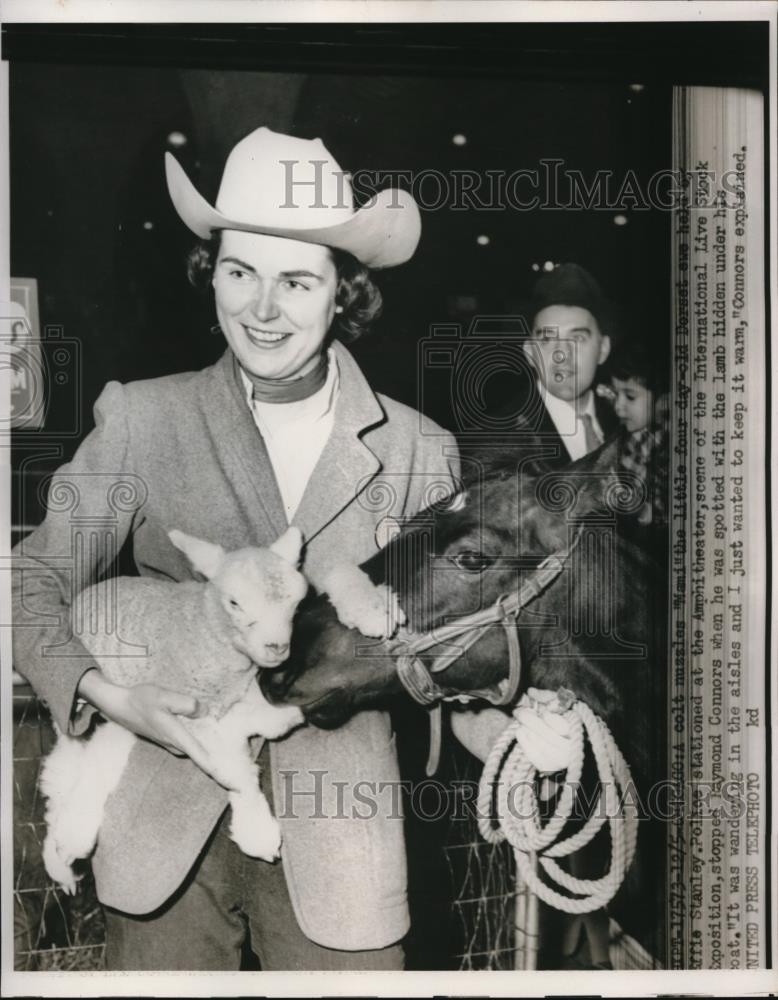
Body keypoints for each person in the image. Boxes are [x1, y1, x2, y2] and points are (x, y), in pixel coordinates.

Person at [12, 126, 460, 971]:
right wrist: (109, 696)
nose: (261, 309)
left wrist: (521, 718)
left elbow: (447, 653)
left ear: (344, 295)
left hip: (345, 855)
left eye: (295, 281)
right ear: (209, 276)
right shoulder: (144, 419)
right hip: (158, 848)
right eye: (238, 273)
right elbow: (24, 580)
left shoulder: (417, 452)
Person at [488, 263, 619, 476]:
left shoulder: (629, 422)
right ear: (530, 352)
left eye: (577, 338)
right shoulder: (498, 443)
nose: (562, 354)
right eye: (548, 338)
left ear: (603, 349)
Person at [600, 339, 669, 529]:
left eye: (630, 397)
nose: (618, 406)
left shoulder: (669, 446)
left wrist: (637, 509)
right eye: (615, 394)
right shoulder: (633, 427)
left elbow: (666, 514)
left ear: (663, 401)